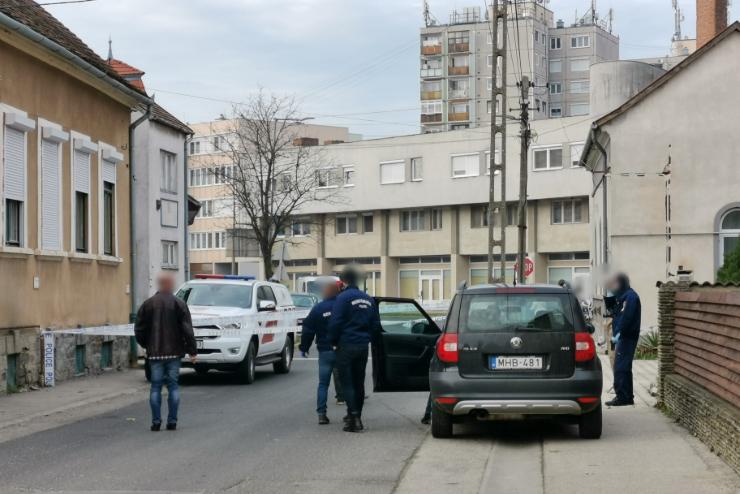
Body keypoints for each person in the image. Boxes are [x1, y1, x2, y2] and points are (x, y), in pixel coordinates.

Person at [134, 272, 197, 431]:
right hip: (174, 353)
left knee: (155, 387)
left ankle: (156, 422)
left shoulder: (148, 305)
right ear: (170, 285)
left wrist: (147, 345)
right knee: (173, 386)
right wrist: (192, 351)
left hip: (154, 354)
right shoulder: (179, 304)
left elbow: (139, 330)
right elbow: (187, 330)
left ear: (160, 285)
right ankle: (172, 421)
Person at [328, 266, 381, 433]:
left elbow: (335, 322)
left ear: (343, 281)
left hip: (346, 345)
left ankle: (354, 418)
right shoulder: (368, 299)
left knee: (347, 383)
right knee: (359, 382)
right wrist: (368, 339)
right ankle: (355, 417)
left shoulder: (342, 298)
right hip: (362, 346)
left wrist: (333, 341)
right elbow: (376, 325)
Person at [299, 280, 344, 425]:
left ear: (325, 293)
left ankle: (322, 414)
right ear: (338, 292)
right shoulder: (343, 306)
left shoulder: (318, 308)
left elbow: (308, 329)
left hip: (325, 350)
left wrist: (304, 348)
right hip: (342, 350)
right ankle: (351, 414)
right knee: (348, 382)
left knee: (323, 384)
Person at [606, 273, 641, 407]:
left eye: (615, 284)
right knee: (625, 367)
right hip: (624, 336)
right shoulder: (624, 296)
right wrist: (610, 298)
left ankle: (622, 397)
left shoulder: (630, 297)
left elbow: (627, 317)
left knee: (620, 367)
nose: (613, 286)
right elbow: (614, 312)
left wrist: (619, 333)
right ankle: (627, 397)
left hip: (626, 337)